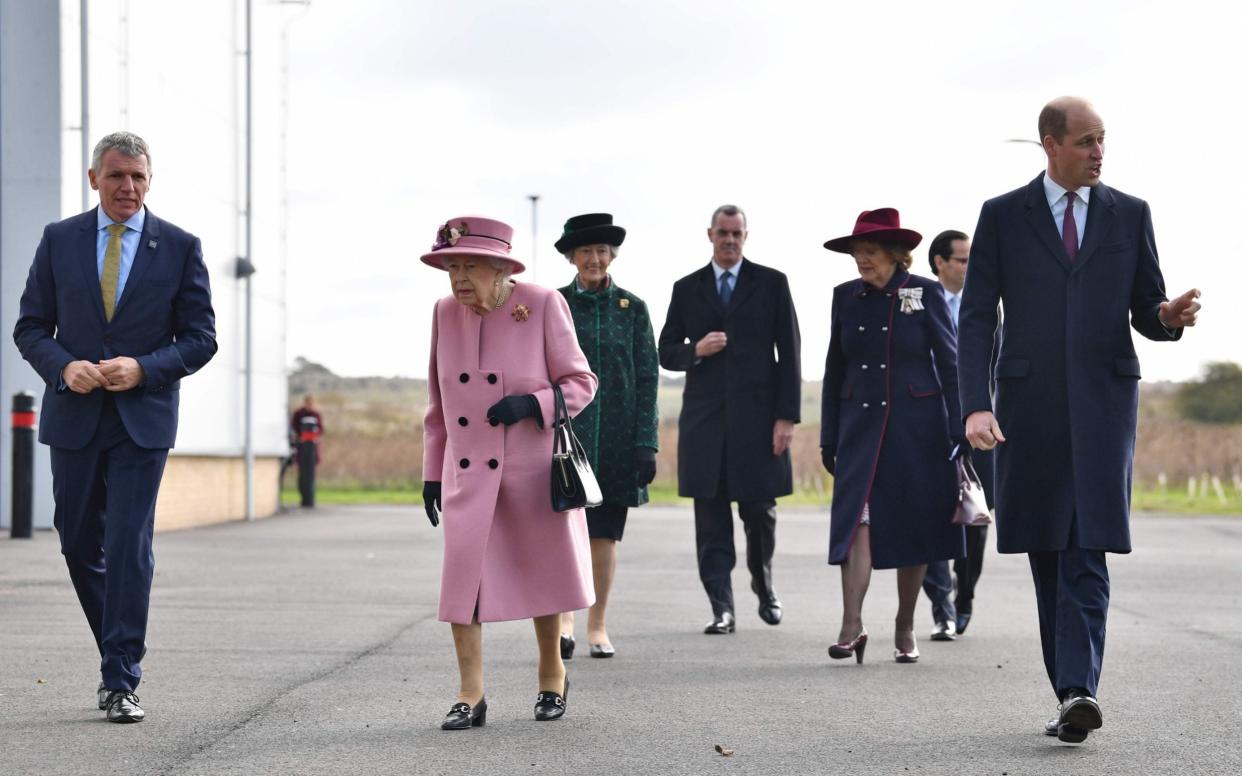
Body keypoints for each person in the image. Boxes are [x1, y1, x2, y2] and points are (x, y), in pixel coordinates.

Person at [958, 96, 1201, 743]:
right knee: (1047, 547)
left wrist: (1167, 318)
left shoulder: (1131, 214)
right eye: (1086, 141)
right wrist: (975, 404)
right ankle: (1069, 686)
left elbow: (1147, 305)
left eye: (1103, 140)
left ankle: (1078, 690)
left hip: (1102, 407)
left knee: (1086, 544)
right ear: (1050, 144)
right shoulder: (1003, 217)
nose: (1098, 152)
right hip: (1027, 409)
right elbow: (977, 316)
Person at [12, 131, 218, 723]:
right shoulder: (58, 241)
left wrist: (144, 368)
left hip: (142, 420)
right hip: (74, 415)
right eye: (117, 176)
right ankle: (116, 649)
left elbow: (201, 338)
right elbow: (30, 328)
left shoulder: (179, 247)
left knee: (130, 545)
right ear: (93, 178)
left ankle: (121, 676)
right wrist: (63, 366)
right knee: (78, 541)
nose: (128, 188)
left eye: (139, 178)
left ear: (149, 182)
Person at [420, 215, 598, 729]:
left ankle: (551, 675)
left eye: (470, 265)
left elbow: (582, 382)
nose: (458, 278)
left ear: (500, 269)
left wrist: (533, 403)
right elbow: (437, 406)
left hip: (532, 470)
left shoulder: (541, 303)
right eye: (451, 266)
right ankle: (469, 693)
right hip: (469, 472)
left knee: (543, 576)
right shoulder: (443, 313)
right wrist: (433, 471)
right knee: (463, 584)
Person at [819, 208, 965, 664]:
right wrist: (829, 435)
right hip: (859, 430)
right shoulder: (845, 296)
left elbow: (949, 362)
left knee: (914, 527)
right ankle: (851, 625)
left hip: (918, 431)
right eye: (857, 253)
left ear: (896, 255)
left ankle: (905, 624)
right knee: (856, 524)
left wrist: (961, 427)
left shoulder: (923, 292)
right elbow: (833, 369)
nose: (861, 261)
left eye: (870, 253)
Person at [658, 204, 801, 634]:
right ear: (710, 234)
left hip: (759, 424)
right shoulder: (687, 288)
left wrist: (787, 418)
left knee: (760, 513)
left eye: (736, 233)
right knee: (711, 518)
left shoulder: (772, 283)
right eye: (723, 233)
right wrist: (695, 351)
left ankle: (764, 583)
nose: (730, 240)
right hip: (705, 425)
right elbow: (665, 349)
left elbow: (790, 353)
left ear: (745, 236)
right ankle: (722, 606)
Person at [554, 214, 659, 660]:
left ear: (611, 255)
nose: (594, 259)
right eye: (585, 252)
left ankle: (597, 625)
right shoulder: (553, 304)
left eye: (602, 251)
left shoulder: (632, 308)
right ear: (572, 257)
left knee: (604, 537)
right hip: (564, 437)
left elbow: (649, 377)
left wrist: (646, 442)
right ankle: (564, 619)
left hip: (618, 439)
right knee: (561, 532)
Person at [920, 229, 996, 641]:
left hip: (979, 428)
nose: (970, 266)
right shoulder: (919, 301)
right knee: (933, 518)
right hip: (930, 424)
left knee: (975, 520)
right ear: (940, 262)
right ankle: (942, 607)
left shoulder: (988, 308)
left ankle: (964, 595)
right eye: (963, 259)